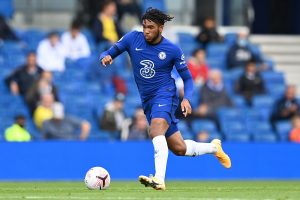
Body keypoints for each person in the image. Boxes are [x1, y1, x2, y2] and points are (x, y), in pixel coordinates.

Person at [100, 8, 231, 190]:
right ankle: (214, 148)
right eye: (145, 26)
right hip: (147, 100)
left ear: (161, 28)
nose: (146, 31)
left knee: (155, 131)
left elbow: (187, 79)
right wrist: (105, 57)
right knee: (179, 148)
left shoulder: (172, 50)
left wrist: (186, 99)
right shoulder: (132, 38)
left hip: (166, 94)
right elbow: (109, 52)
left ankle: (159, 179)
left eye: (151, 27)